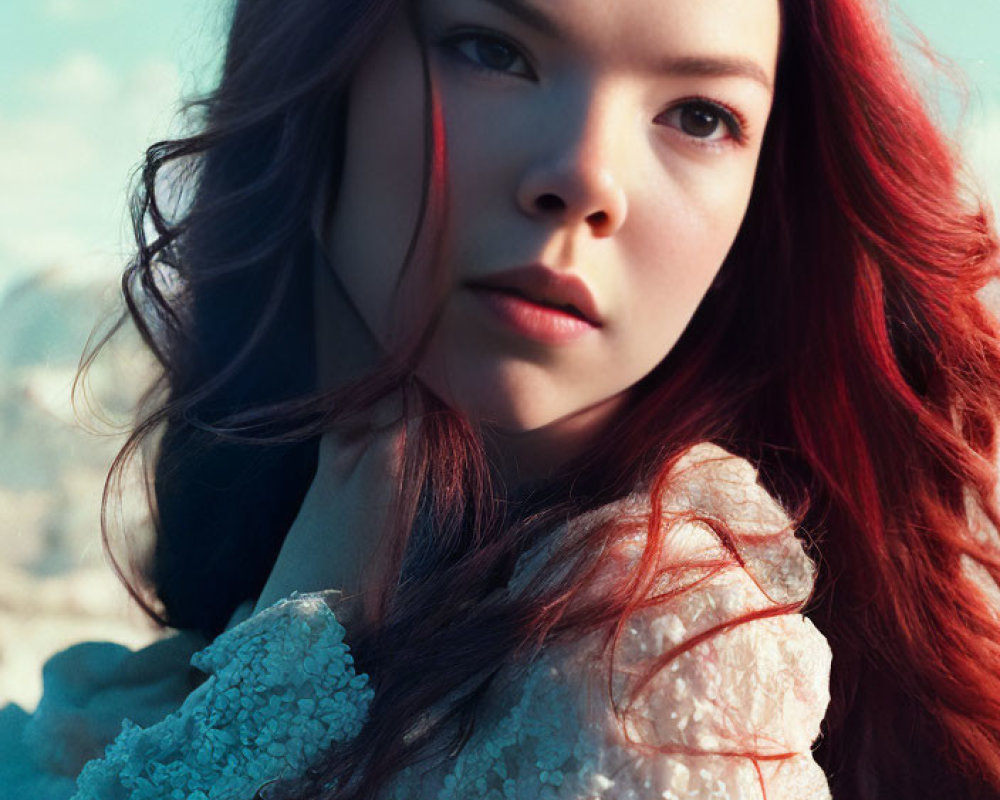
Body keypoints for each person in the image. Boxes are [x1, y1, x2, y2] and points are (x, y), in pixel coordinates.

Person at [3, 0, 1000, 797]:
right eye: (494, 49)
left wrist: (293, 660)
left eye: (699, 114)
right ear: (324, 78)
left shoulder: (664, 662)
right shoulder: (180, 652)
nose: (583, 176)